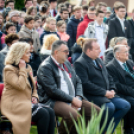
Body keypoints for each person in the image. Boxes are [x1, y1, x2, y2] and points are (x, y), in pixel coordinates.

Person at [37, 40, 100, 134]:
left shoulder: (66, 63)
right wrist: (72, 100)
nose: (68, 53)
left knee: (96, 111)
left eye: (68, 51)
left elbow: (78, 80)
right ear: (56, 52)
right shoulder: (46, 67)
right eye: (65, 51)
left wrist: (78, 97)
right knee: (73, 115)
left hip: (72, 97)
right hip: (53, 100)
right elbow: (52, 91)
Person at [74, 38, 130, 133]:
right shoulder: (80, 63)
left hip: (107, 94)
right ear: (88, 50)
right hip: (93, 96)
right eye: (97, 49)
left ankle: (107, 129)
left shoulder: (98, 60)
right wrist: (104, 92)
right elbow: (85, 84)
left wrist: (112, 89)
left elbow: (109, 77)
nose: (100, 51)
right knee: (110, 107)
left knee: (125, 105)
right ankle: (103, 130)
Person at [1, 42, 55, 134]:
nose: (30, 55)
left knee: (50, 111)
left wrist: (35, 96)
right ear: (20, 55)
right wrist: (22, 69)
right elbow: (20, 86)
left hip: (26, 102)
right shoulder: (9, 69)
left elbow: (33, 87)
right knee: (43, 114)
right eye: (27, 53)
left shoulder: (28, 67)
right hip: (14, 104)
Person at [106, 45, 134, 134]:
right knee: (132, 101)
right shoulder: (110, 67)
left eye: (127, 52)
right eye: (125, 52)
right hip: (122, 93)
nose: (128, 54)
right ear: (118, 54)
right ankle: (128, 129)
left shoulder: (129, 62)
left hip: (131, 89)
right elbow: (118, 86)